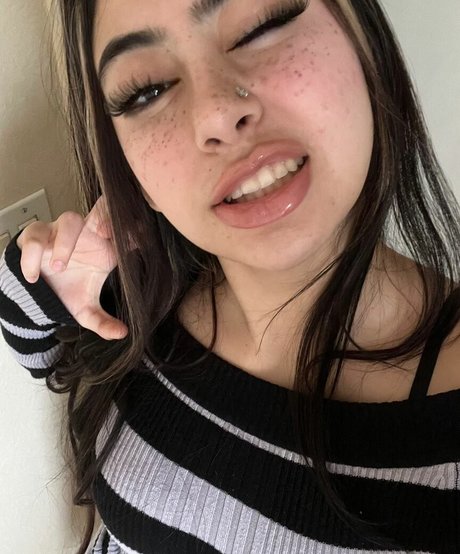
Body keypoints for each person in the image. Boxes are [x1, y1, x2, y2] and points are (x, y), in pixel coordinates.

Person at [1, 0, 460, 552]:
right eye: (145, 90)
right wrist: (49, 277)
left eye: (262, 24)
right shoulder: (144, 295)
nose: (216, 114)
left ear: (366, 44)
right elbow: (32, 341)